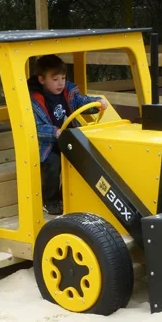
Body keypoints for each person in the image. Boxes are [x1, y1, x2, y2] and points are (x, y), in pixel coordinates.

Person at [27, 54, 108, 215]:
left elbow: (81, 102)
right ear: (42, 80)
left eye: (63, 78)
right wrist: (54, 132)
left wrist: (97, 103)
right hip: (47, 144)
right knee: (53, 164)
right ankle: (49, 199)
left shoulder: (68, 92)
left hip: (69, 137)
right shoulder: (35, 100)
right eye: (55, 79)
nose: (61, 83)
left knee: (83, 157)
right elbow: (35, 128)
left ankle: (67, 195)